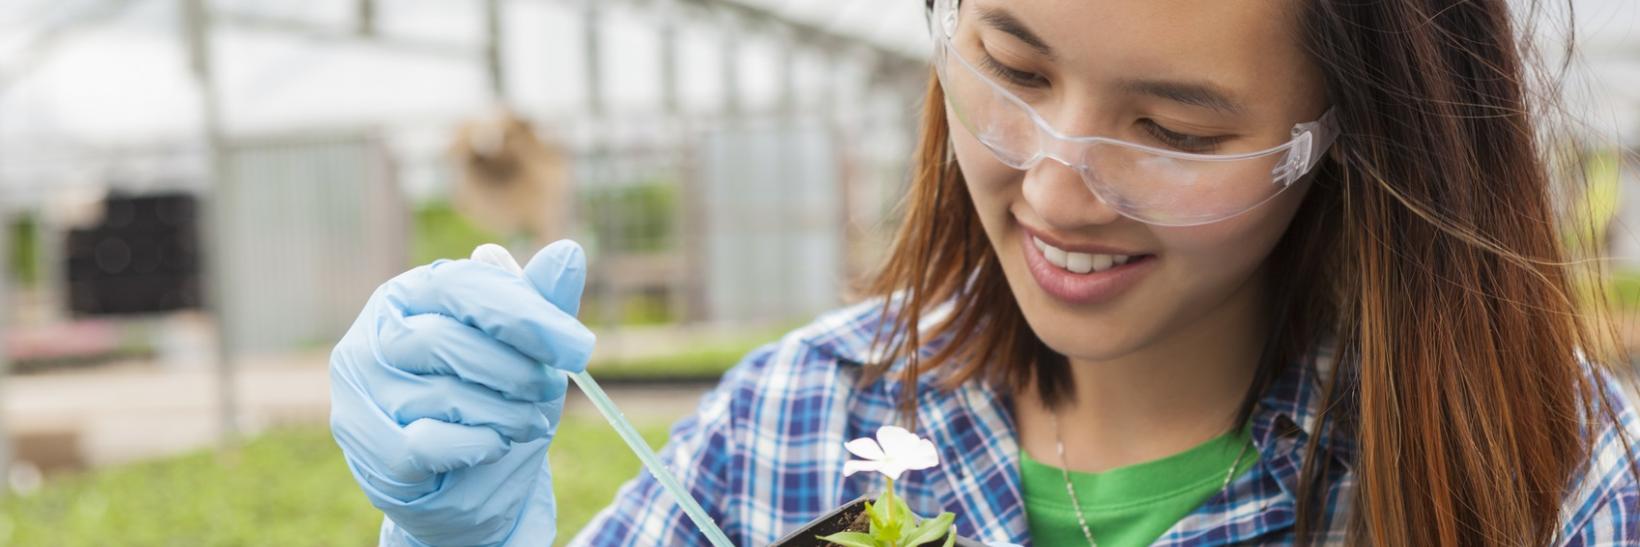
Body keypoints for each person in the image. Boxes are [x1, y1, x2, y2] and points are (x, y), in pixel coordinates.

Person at [328, 0, 1640, 544]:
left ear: (1348, 140)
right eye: (1012, 74)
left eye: (1175, 133)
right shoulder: (794, 417)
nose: (1058, 193)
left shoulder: (1556, 479)